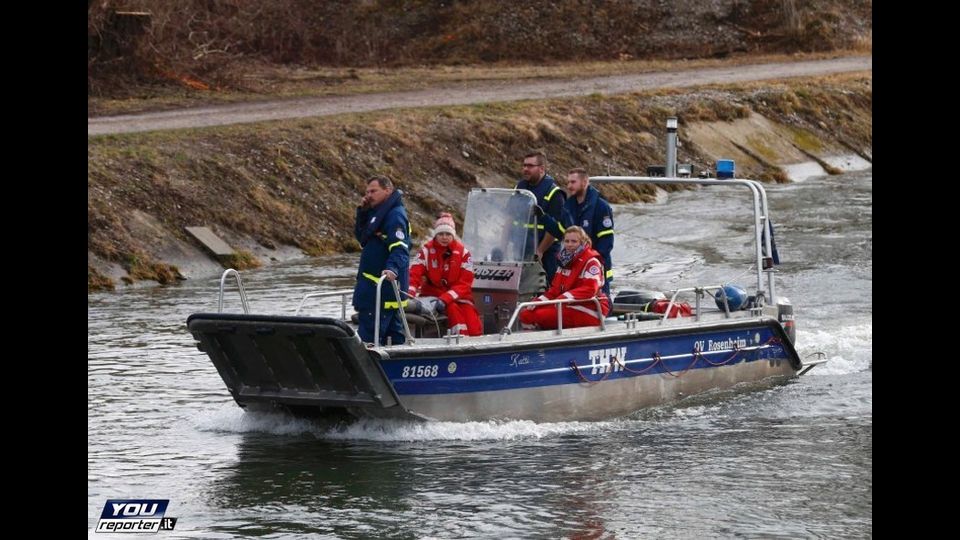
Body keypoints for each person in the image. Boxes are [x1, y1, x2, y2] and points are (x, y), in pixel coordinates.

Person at [353, 175, 410, 345]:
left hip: (381, 291)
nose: (369, 195)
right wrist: (362, 214)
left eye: (374, 191)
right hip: (371, 288)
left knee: (369, 339)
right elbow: (362, 237)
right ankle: (397, 366)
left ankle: (363, 370)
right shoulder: (375, 214)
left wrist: (392, 269)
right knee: (394, 336)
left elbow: (400, 248)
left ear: (387, 190)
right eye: (367, 191)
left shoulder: (394, 216)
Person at [541, 167, 615, 295]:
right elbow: (562, 233)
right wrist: (543, 218)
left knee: (599, 305)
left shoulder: (601, 207)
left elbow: (606, 243)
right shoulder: (569, 207)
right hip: (574, 269)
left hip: (596, 269)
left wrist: (588, 261)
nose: (569, 186)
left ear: (585, 182)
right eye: (568, 182)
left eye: (573, 182)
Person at [519, 226, 610, 330]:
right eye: (567, 241)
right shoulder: (564, 262)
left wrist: (563, 298)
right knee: (526, 313)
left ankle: (538, 342)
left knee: (534, 316)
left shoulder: (591, 262)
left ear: (583, 242)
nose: (569, 245)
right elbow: (554, 291)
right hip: (567, 305)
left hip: (590, 309)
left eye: (574, 241)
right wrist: (538, 302)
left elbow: (590, 289)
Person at [408, 213, 483, 336]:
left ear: (453, 235)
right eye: (441, 234)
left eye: (448, 234)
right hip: (433, 294)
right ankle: (459, 340)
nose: (444, 237)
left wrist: (446, 298)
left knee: (473, 324)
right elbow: (414, 274)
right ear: (436, 235)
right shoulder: (426, 251)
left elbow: (465, 284)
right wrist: (409, 294)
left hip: (460, 297)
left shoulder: (464, 254)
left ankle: (471, 344)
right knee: (452, 309)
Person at [516, 151, 566, 283]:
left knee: (546, 288)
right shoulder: (519, 188)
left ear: (542, 169)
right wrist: (503, 246)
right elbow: (510, 219)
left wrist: (540, 251)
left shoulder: (554, 193)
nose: (526, 169)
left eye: (530, 166)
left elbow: (555, 228)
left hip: (546, 253)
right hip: (521, 249)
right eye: (524, 165)